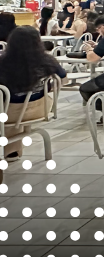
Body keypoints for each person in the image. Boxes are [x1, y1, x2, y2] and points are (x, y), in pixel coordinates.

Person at [0, 26, 66, 159]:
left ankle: (10, 151)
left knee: (6, 103)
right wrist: (45, 88)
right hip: (39, 108)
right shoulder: (47, 61)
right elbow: (63, 80)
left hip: (8, 112)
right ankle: (12, 151)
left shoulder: (3, 63)